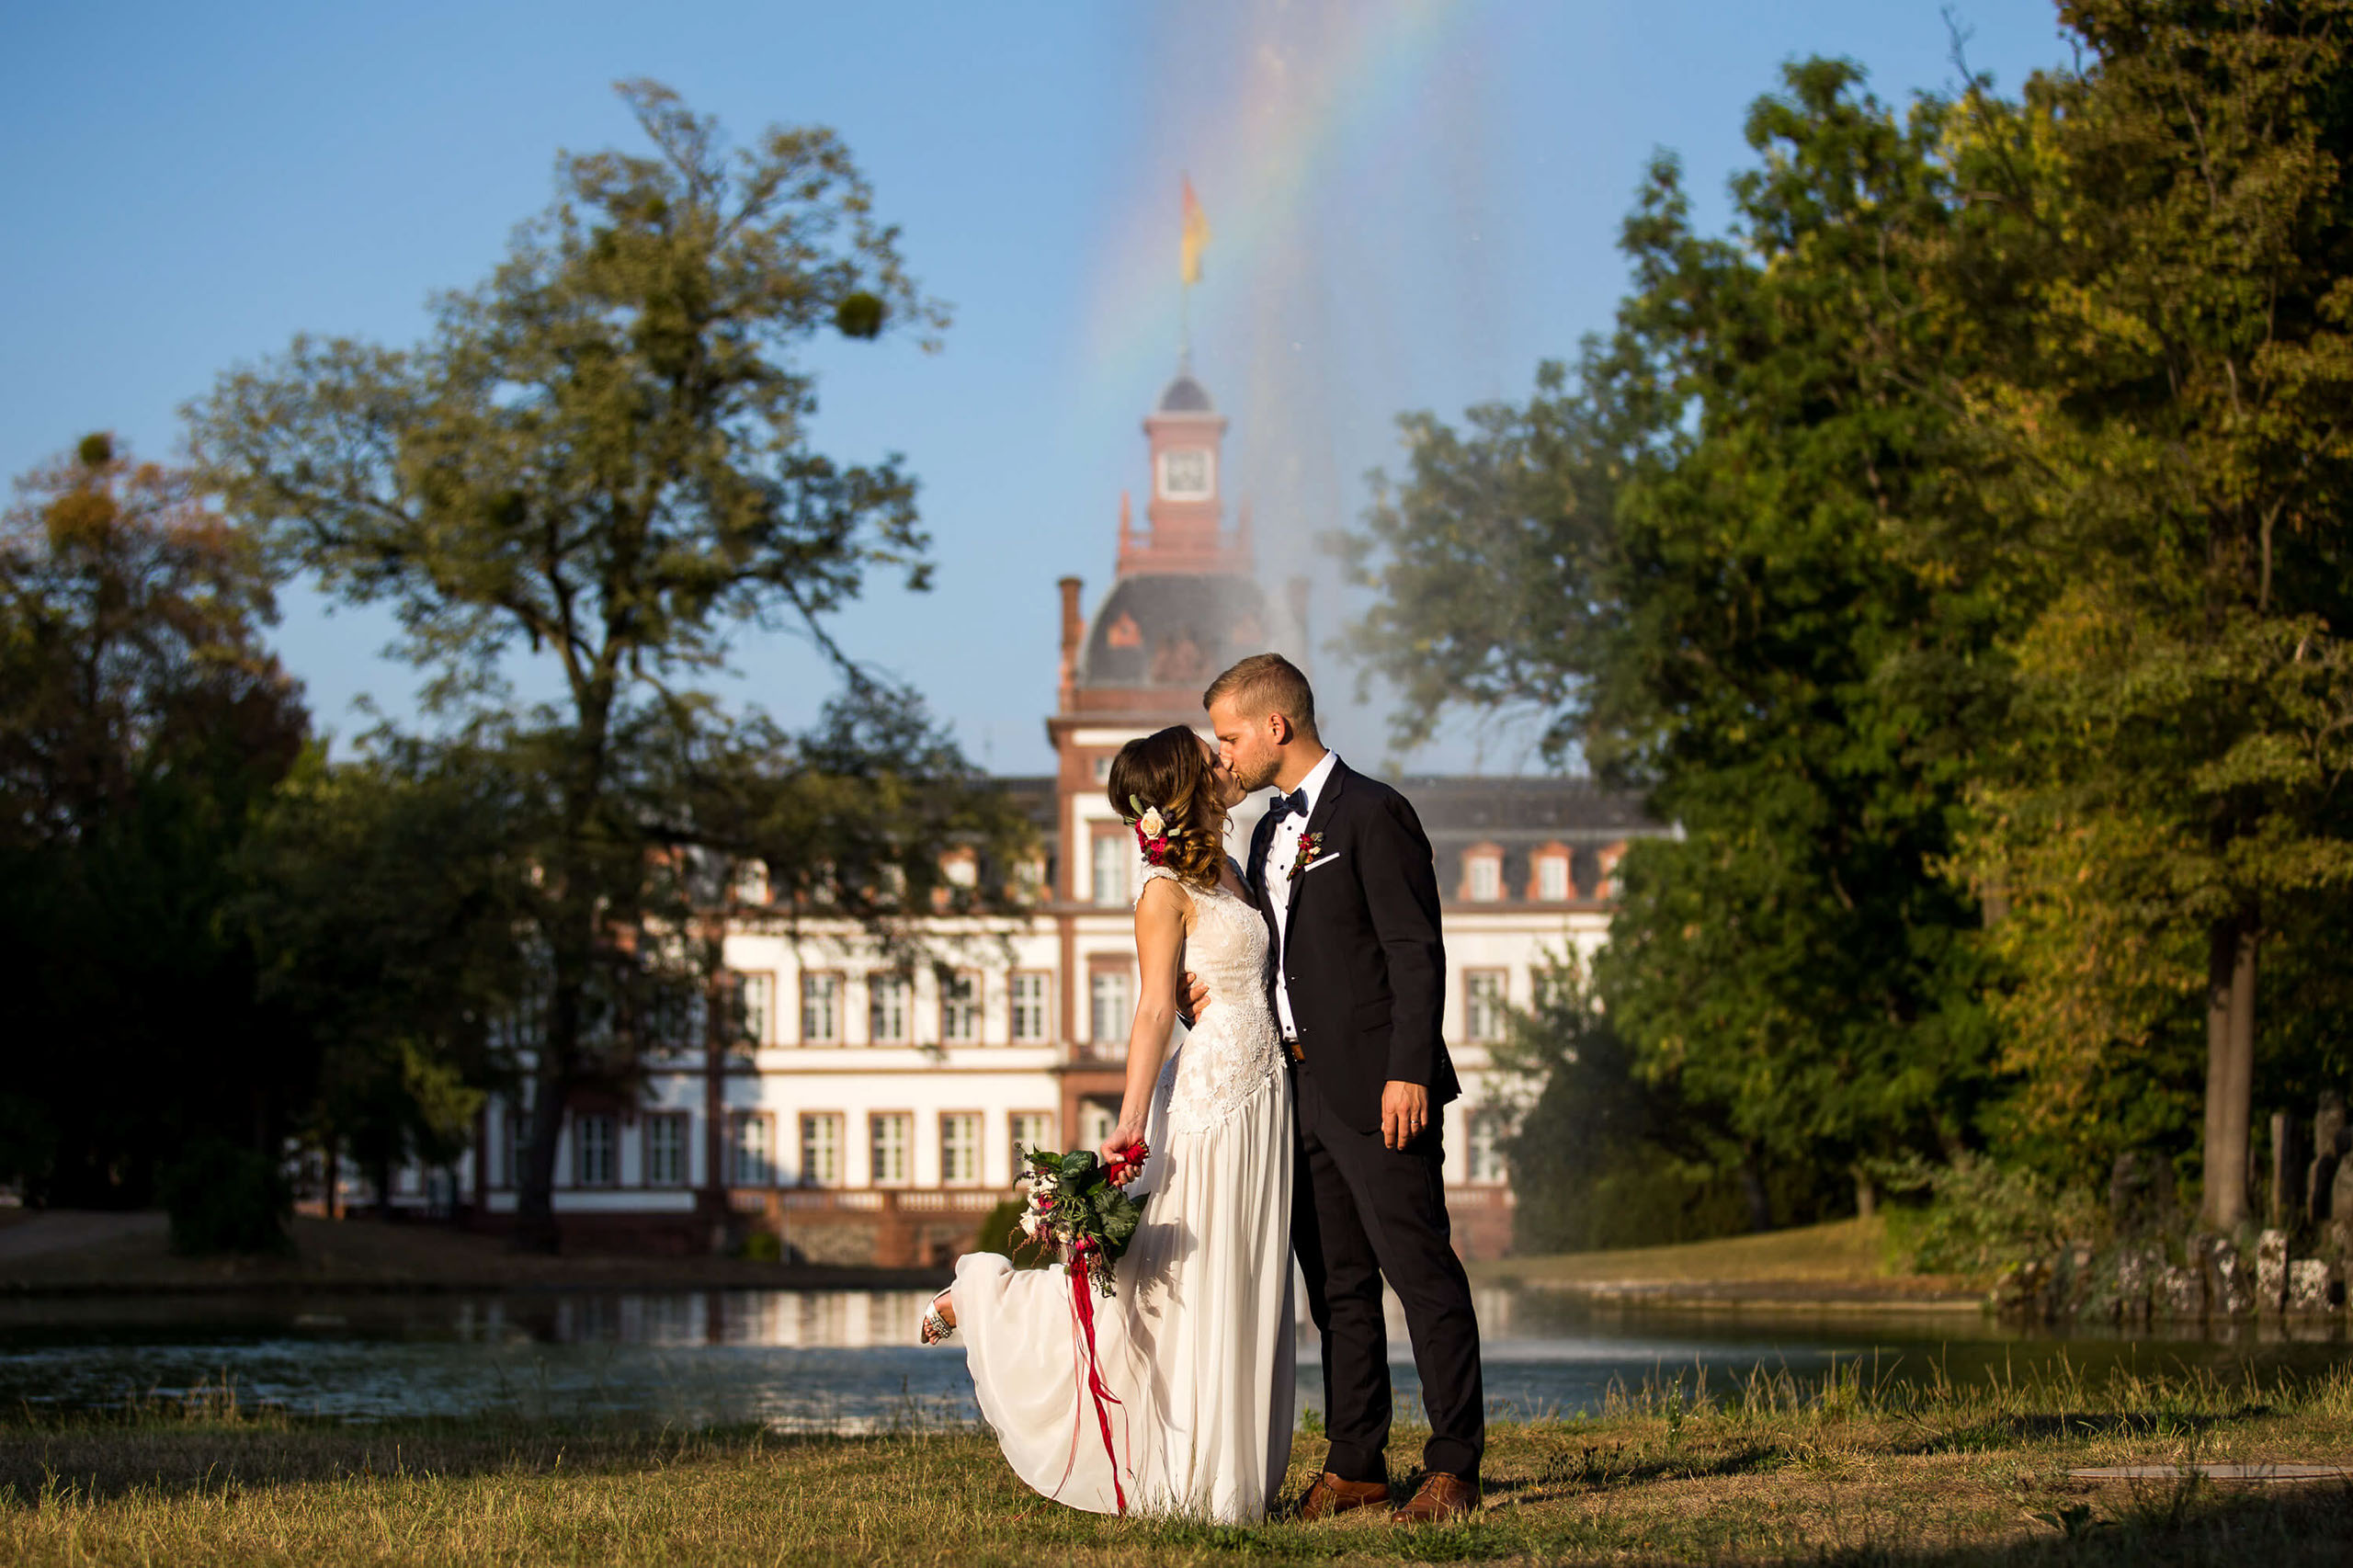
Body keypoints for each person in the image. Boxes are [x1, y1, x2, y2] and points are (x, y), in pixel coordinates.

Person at [919, 726, 1296, 1522]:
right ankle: (985, 1295)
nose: (1227, 760)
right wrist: (1129, 1122)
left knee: (1238, 1270)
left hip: (1263, 1094)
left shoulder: (1233, 869)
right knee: (1172, 1281)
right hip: (1206, 1100)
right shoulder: (1162, 889)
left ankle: (1233, 1472)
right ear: (1188, 783)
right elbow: (1155, 1005)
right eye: (1212, 755)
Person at [1194, 652, 1484, 1525]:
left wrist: (1409, 1070)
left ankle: (1454, 1466)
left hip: (1378, 1085)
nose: (1224, 755)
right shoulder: (1262, 833)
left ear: (1275, 726)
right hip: (1298, 1090)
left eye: (1231, 736)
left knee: (1420, 1271)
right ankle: (1356, 1461)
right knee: (1338, 1290)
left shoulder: (1374, 813)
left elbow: (1414, 951)